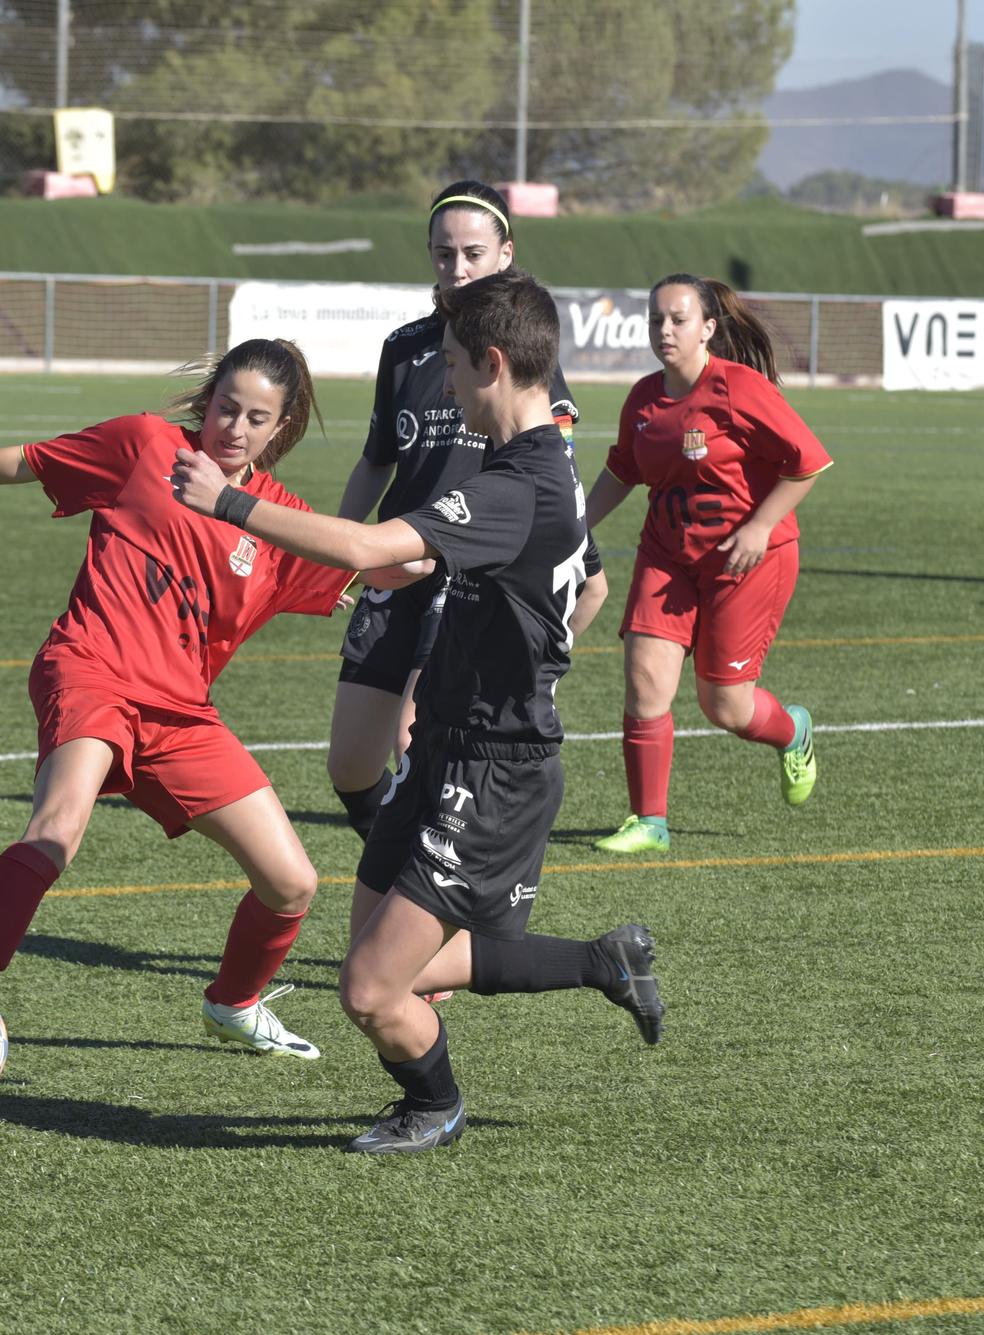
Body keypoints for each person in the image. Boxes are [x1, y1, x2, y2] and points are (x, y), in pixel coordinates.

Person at [171, 272, 663, 1155]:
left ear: (495, 363)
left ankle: (435, 1106)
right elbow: (584, 584)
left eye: (451, 368)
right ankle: (602, 960)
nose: (442, 386)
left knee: (369, 990)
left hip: (493, 772)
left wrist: (230, 502)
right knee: (388, 964)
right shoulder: (533, 462)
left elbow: (367, 543)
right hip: (440, 747)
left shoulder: (520, 486)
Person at [0, 339, 406, 1058]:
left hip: (180, 714)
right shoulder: (142, 444)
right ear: (206, 397)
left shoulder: (276, 519)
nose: (233, 429)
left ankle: (233, 1002)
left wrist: (455, 548)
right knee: (56, 829)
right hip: (90, 668)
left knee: (292, 883)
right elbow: (21, 462)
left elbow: (375, 567)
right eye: (225, 407)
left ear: (281, 428)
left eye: (255, 418)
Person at [328, 180, 598, 843]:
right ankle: (401, 874)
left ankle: (430, 898)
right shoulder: (405, 349)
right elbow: (376, 461)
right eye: (443, 254)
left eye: (473, 253)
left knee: (412, 737)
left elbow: (552, 471)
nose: (457, 269)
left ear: (505, 253)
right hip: (395, 562)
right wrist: (340, 552)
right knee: (351, 766)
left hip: (466, 569)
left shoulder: (525, 357)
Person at [582, 274, 832, 856]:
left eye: (678, 319)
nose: (664, 331)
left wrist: (760, 525)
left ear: (708, 328)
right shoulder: (643, 398)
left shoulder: (738, 389)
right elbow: (622, 471)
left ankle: (793, 731)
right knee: (644, 683)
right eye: (655, 321)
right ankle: (649, 821)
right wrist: (572, 528)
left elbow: (809, 463)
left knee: (725, 705)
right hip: (666, 555)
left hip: (747, 560)